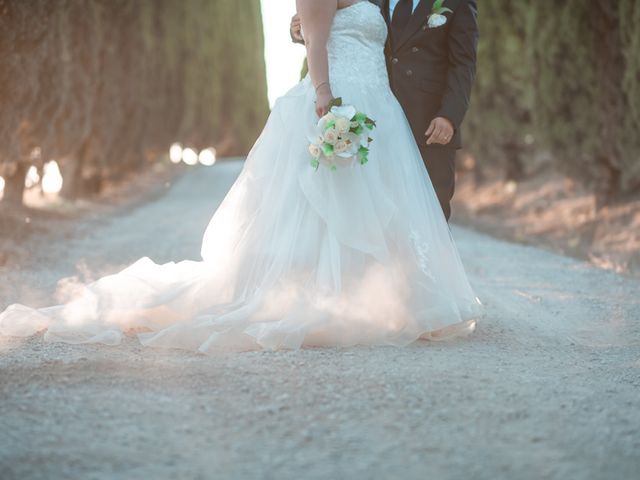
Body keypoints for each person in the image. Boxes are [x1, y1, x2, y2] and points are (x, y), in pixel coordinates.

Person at [0, 0, 481, 353]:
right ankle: (323, 298)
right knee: (322, 203)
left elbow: (396, 42)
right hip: (338, 100)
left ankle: (383, 297)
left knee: (377, 201)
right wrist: (324, 98)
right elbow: (313, 36)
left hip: (382, 107)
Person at [291, 0, 478, 220]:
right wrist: (300, 29)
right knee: (375, 215)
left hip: (429, 122)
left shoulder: (457, 2)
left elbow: (463, 63)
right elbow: (340, 26)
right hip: (376, 122)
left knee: (432, 214)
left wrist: (449, 115)